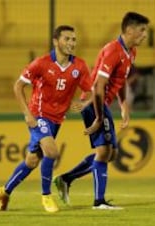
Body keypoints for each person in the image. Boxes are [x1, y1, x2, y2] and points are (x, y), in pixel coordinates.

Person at [53, 12, 149, 210]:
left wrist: (123, 105)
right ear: (129, 30)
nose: (145, 35)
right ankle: (99, 201)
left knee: (110, 154)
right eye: (142, 30)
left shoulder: (130, 52)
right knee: (104, 152)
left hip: (102, 103)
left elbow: (120, 81)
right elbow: (98, 86)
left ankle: (65, 179)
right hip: (92, 102)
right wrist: (98, 117)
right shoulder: (113, 50)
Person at [0, 25, 93, 213]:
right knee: (52, 151)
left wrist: (84, 103)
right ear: (56, 41)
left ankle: (4, 191)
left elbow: (91, 91)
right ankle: (46, 196)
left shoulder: (79, 66)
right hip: (39, 115)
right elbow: (18, 86)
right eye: (67, 39)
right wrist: (27, 114)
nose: (72, 43)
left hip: (57, 120)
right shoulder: (41, 63)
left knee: (32, 161)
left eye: (74, 39)